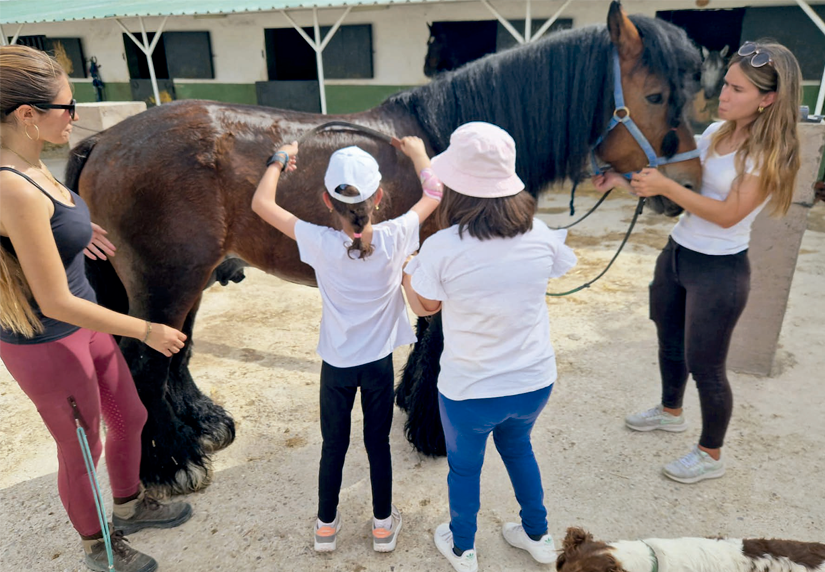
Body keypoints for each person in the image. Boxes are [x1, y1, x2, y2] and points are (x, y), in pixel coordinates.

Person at [0, 45, 192, 572]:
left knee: (128, 415)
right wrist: (147, 328)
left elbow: (43, 226)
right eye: (67, 106)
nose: (75, 116)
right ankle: (98, 546)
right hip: (49, 340)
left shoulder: (32, 164)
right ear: (27, 115)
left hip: (83, 324)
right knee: (83, 450)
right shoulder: (9, 184)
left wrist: (75, 234)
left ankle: (130, 505)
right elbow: (52, 298)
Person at [594, 41, 802, 484]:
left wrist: (667, 189)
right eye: (725, 83)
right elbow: (677, 185)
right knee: (668, 340)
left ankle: (711, 453)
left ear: (767, 100)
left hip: (719, 271)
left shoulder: (765, 155)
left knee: (707, 365)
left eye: (737, 89)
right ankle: (671, 411)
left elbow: (728, 214)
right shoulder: (714, 135)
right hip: (679, 253)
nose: (722, 95)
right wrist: (622, 179)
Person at [402, 121, 577, 572]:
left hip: (470, 390)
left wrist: (407, 272)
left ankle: (464, 547)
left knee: (465, 470)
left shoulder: (442, 247)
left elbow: (426, 308)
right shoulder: (541, 234)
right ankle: (538, 536)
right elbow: (556, 268)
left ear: (457, 189)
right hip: (534, 381)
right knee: (520, 450)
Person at [251, 137, 440, 552]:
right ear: (379, 197)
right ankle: (382, 527)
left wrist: (280, 159)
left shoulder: (319, 241)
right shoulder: (397, 235)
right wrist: (417, 153)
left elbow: (261, 205)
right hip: (377, 365)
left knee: (332, 445)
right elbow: (435, 191)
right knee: (377, 445)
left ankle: (325, 528)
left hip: (335, 365)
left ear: (326, 200)